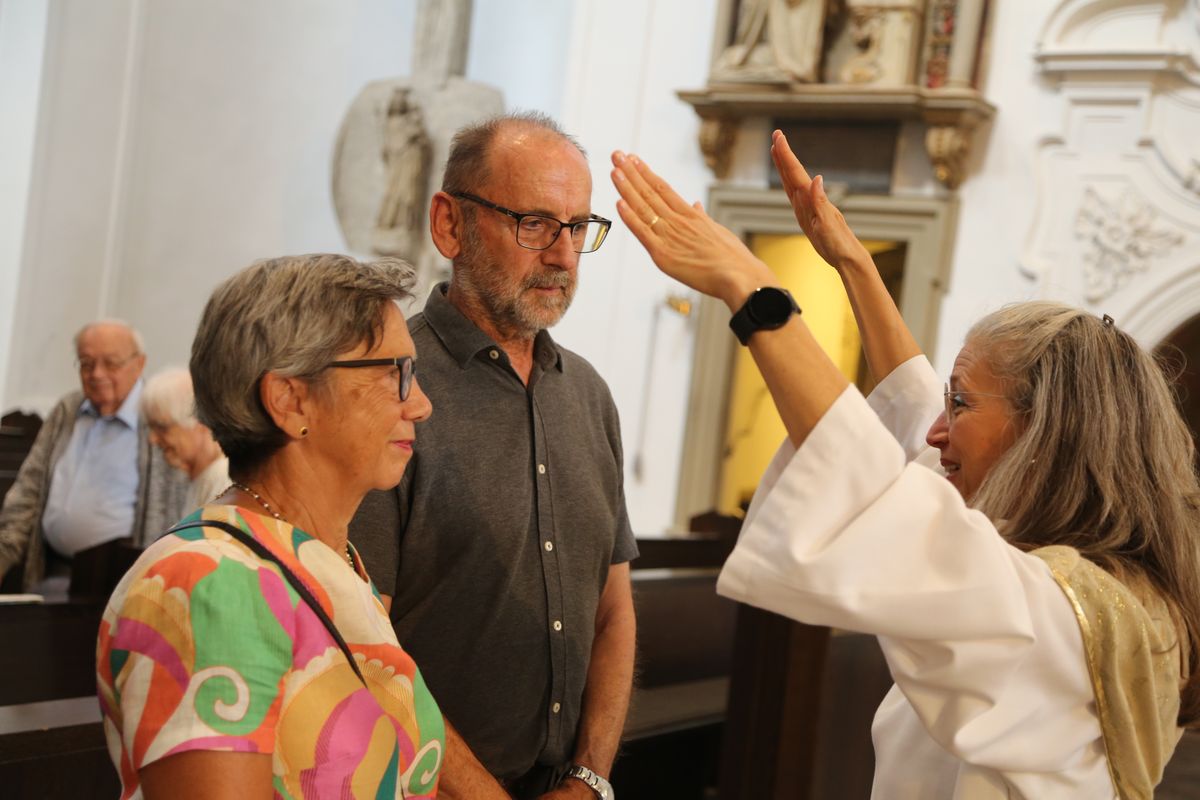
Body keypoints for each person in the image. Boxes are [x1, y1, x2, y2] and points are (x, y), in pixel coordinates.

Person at [609, 133, 1200, 798]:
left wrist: (754, 294)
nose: (938, 429)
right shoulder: (1120, 590)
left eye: (963, 404)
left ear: (1043, 433)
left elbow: (878, 487)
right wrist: (854, 265)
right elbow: (912, 426)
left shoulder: (1053, 611)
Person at [97, 254, 511, 799]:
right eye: (396, 373)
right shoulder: (212, 582)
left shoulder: (326, 556)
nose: (422, 404)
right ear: (290, 399)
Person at [350, 112, 638, 799]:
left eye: (578, 228)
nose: (564, 256)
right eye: (535, 223)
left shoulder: (590, 397)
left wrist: (590, 777)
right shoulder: (388, 390)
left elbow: (613, 612)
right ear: (450, 224)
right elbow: (363, 645)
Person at [0, 320, 189, 592]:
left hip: (123, 584)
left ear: (139, 364)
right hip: (51, 572)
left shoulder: (158, 417)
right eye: (86, 363)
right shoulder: (68, 409)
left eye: (111, 363)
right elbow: (28, 490)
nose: (97, 374)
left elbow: (175, 507)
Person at [140, 367, 229, 510]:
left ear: (201, 422)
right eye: (150, 427)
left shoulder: (223, 483)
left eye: (162, 427)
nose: (152, 439)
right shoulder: (204, 478)